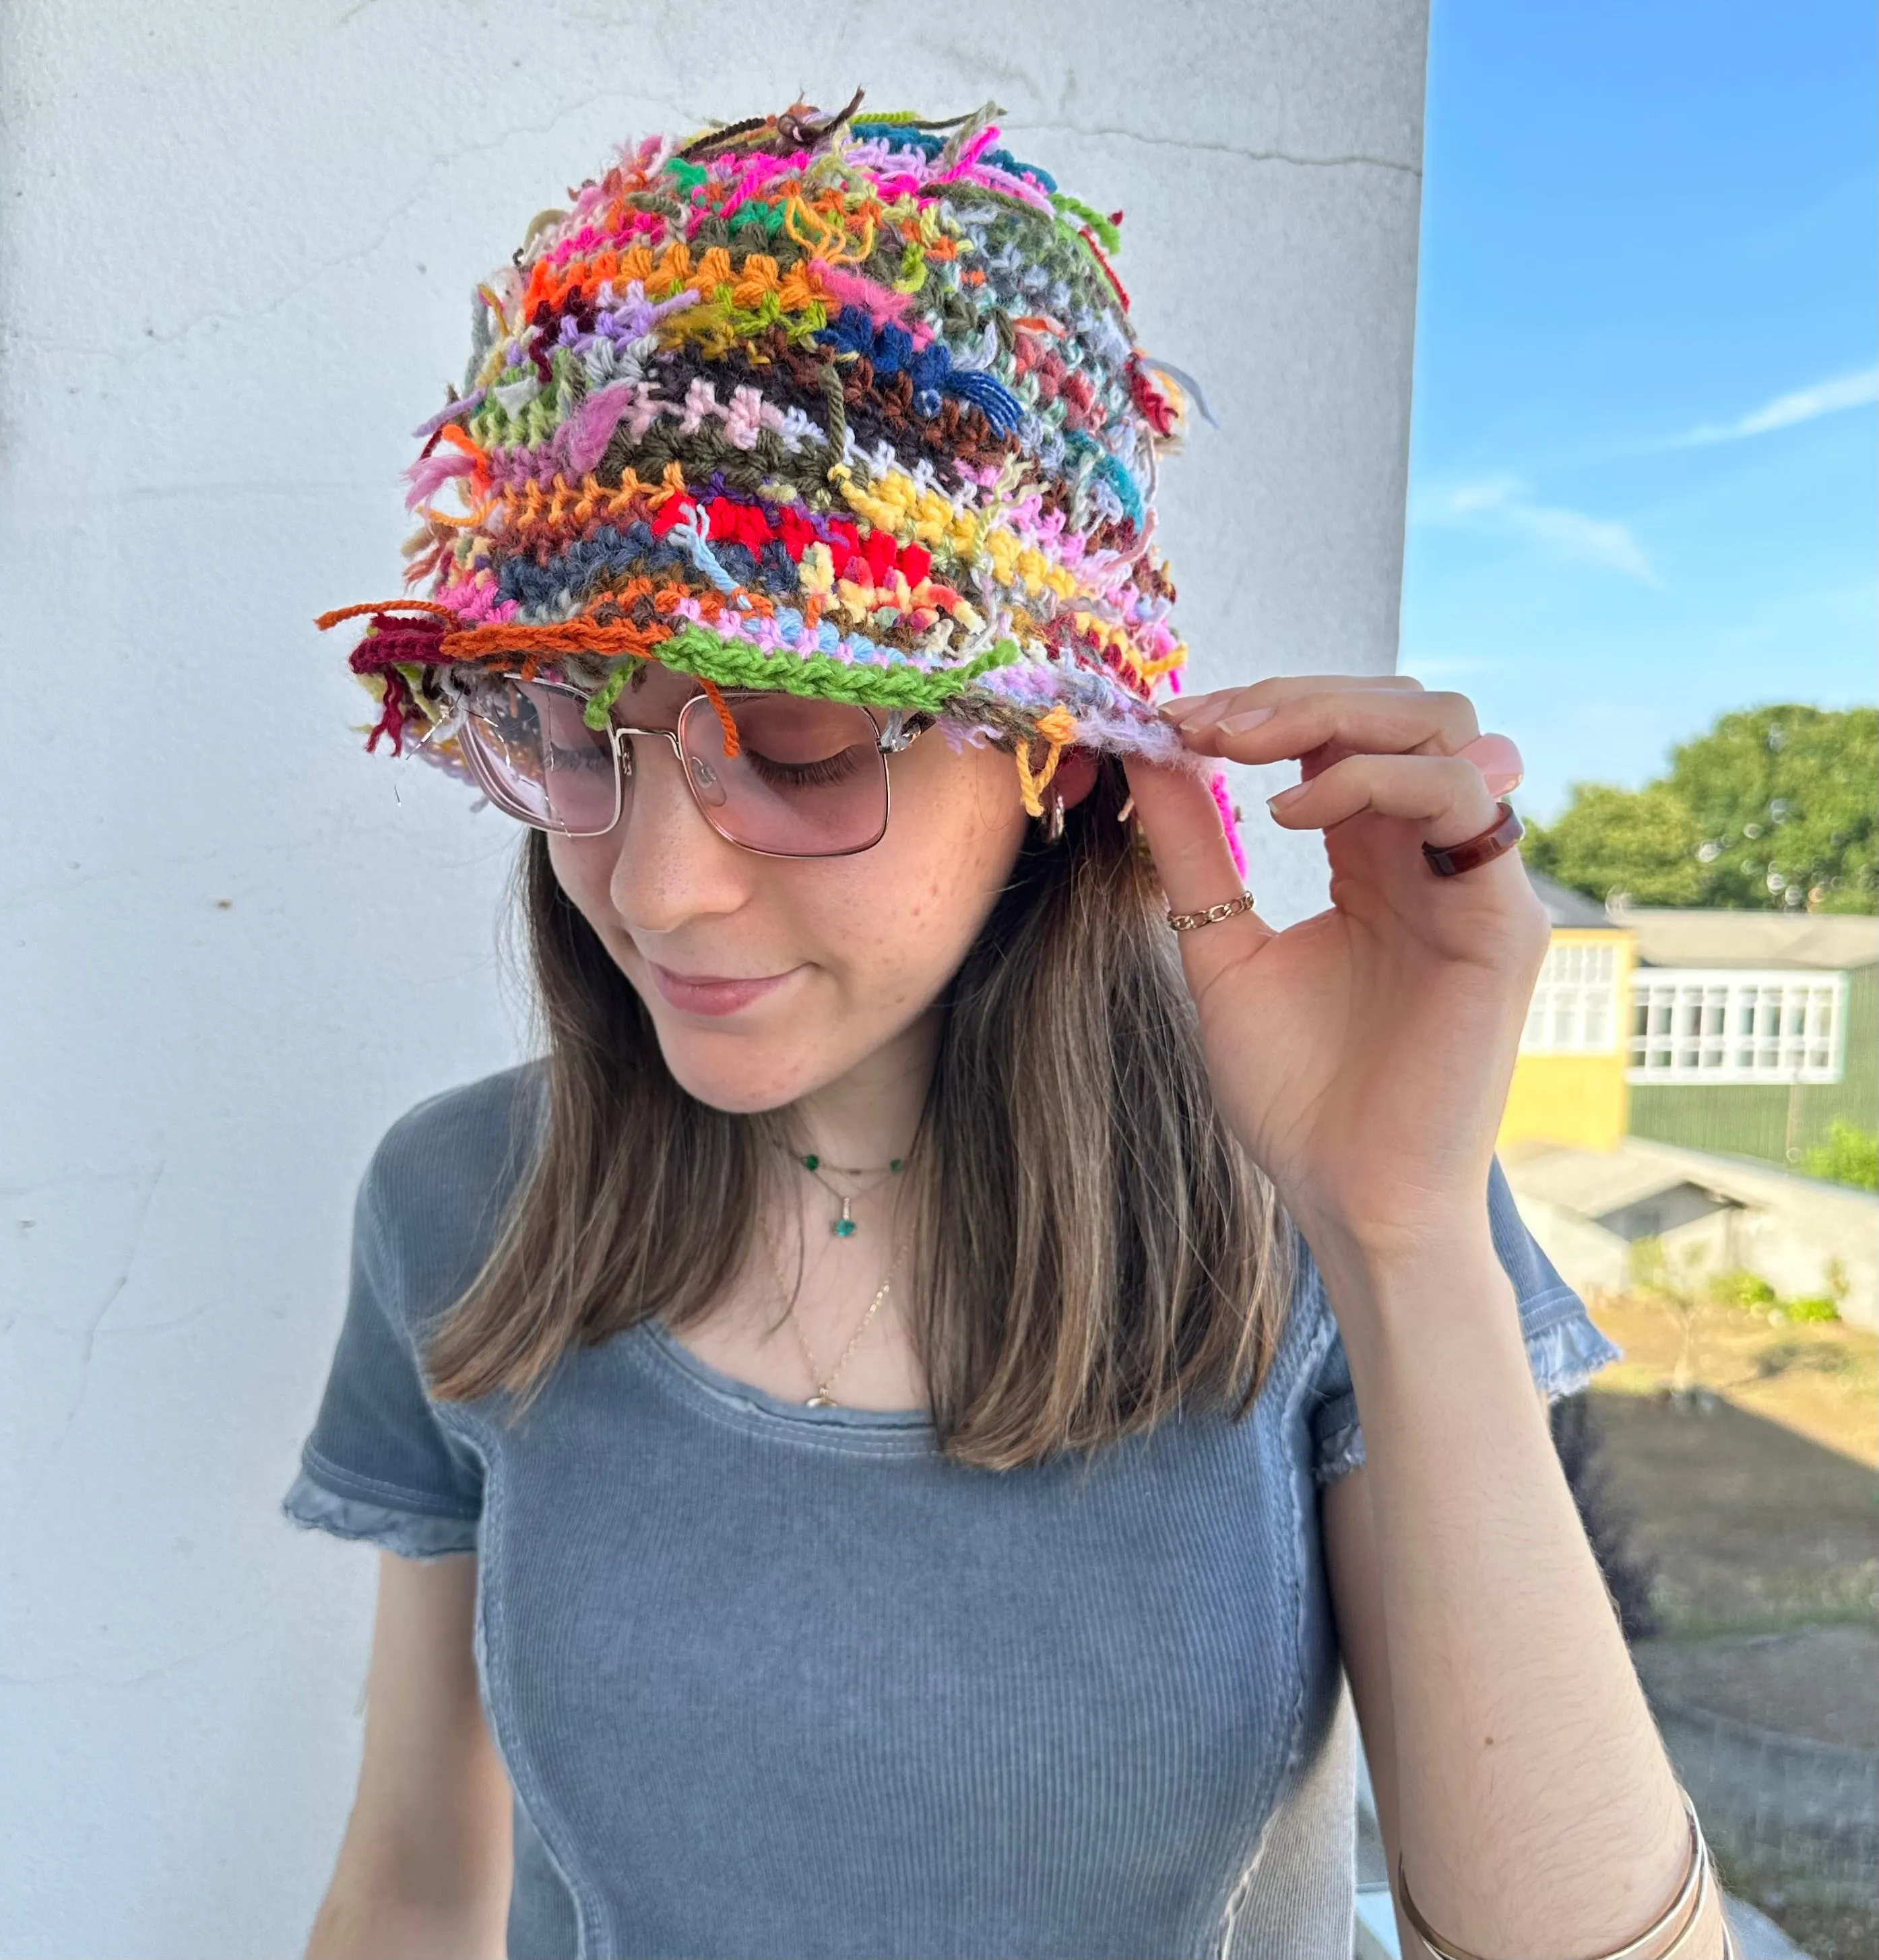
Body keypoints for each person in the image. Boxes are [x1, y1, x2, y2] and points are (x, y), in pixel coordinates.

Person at [284, 100, 1733, 1959]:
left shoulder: (1299, 1224)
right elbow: (411, 1889)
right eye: (573, 732)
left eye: (796, 748)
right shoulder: (463, 1205)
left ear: (1053, 763)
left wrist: (1396, 1229)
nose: (654, 888)